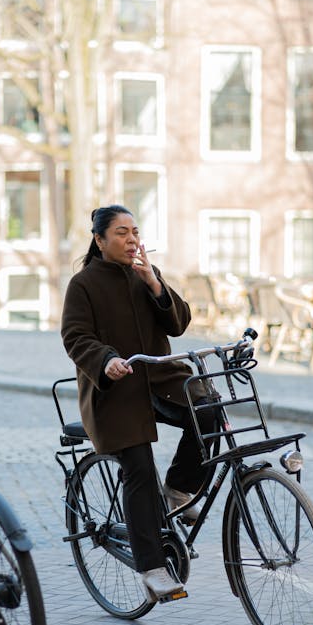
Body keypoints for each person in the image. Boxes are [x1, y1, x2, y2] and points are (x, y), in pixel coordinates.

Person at [61, 205, 214, 602]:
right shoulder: (84, 284)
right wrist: (105, 360)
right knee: (139, 469)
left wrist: (155, 285)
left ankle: (180, 489)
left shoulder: (145, 274)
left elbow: (178, 323)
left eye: (135, 232)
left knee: (211, 411)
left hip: (161, 378)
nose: (132, 240)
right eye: (121, 233)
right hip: (115, 390)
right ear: (99, 240)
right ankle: (152, 566)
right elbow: (75, 337)